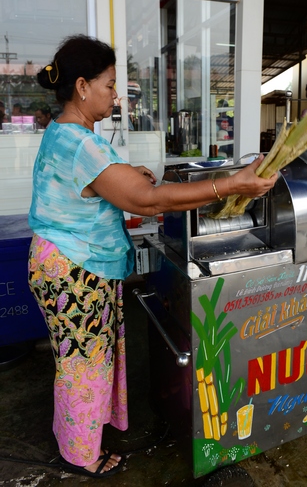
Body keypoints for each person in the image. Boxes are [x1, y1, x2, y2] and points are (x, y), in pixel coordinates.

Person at [28, 34, 277, 478]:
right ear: (82, 86)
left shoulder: (67, 134)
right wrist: (232, 185)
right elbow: (147, 202)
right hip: (73, 270)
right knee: (82, 366)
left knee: (87, 358)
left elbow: (98, 182)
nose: (115, 95)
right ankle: (81, 457)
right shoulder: (80, 143)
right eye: (108, 85)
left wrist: (127, 175)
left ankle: (86, 435)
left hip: (68, 263)